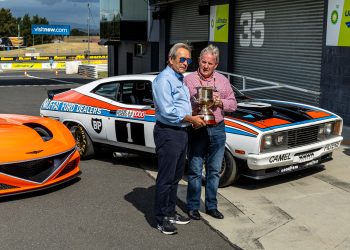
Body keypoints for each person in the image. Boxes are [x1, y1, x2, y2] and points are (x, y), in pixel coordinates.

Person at [152, 43, 206, 235]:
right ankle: (161, 219)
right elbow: (167, 111)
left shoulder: (179, 79)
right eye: (181, 59)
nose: (185, 63)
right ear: (171, 59)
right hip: (168, 132)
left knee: (175, 177)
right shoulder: (163, 80)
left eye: (188, 60)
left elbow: (182, 106)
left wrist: (193, 116)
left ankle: (170, 212)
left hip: (181, 131)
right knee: (166, 178)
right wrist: (191, 118)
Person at [184, 44, 237, 220]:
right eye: (203, 62)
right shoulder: (189, 80)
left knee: (214, 171)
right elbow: (182, 105)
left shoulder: (222, 80)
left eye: (210, 63)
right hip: (197, 128)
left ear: (216, 64)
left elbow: (233, 104)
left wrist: (220, 101)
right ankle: (192, 206)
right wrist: (195, 105)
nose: (206, 66)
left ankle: (212, 206)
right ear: (199, 61)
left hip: (218, 129)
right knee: (195, 169)